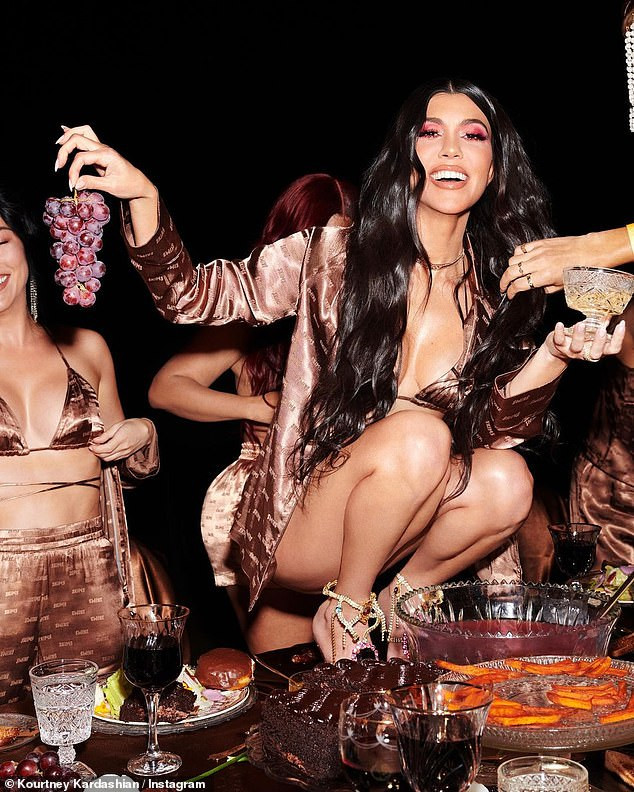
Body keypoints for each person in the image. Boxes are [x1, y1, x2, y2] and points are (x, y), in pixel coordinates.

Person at [55, 78, 626, 663]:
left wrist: (554, 355)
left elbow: (493, 433)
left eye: (473, 136)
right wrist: (144, 197)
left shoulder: (498, 288)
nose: (451, 149)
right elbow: (191, 298)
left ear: (494, 168)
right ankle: (347, 607)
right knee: (421, 433)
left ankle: (402, 604)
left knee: (508, 480)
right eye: (430, 133)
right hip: (306, 519)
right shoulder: (334, 253)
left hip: (405, 530)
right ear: (404, 158)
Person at [147, 173, 359, 653]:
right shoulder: (253, 319)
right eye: (320, 241)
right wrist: (258, 407)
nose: (334, 256)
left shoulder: (359, 317)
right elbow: (166, 389)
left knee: (354, 657)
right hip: (262, 497)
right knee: (285, 665)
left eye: (348, 239)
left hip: (343, 492)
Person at [0, 183, 160, 703]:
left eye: (0, 242)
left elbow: (128, 475)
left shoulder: (86, 348)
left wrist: (143, 432)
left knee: (99, 725)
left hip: (89, 575)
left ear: (26, 245)